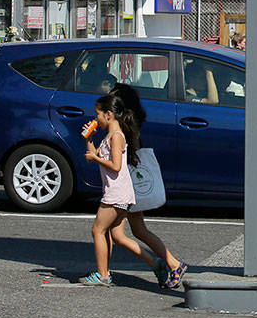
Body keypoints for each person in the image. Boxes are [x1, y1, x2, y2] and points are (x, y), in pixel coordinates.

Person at [106, 83, 189, 289]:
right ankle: (170, 263)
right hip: (130, 186)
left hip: (125, 187)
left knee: (114, 232)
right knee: (138, 230)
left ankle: (164, 263)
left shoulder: (122, 130)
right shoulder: (132, 126)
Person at [79, 92, 138, 286]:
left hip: (116, 192)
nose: (96, 118)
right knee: (112, 234)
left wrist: (96, 159)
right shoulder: (109, 135)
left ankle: (103, 274)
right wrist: (90, 138)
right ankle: (156, 263)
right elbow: (94, 154)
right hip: (117, 192)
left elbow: (115, 165)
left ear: (108, 115)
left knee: (97, 230)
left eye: (98, 115)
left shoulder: (116, 137)